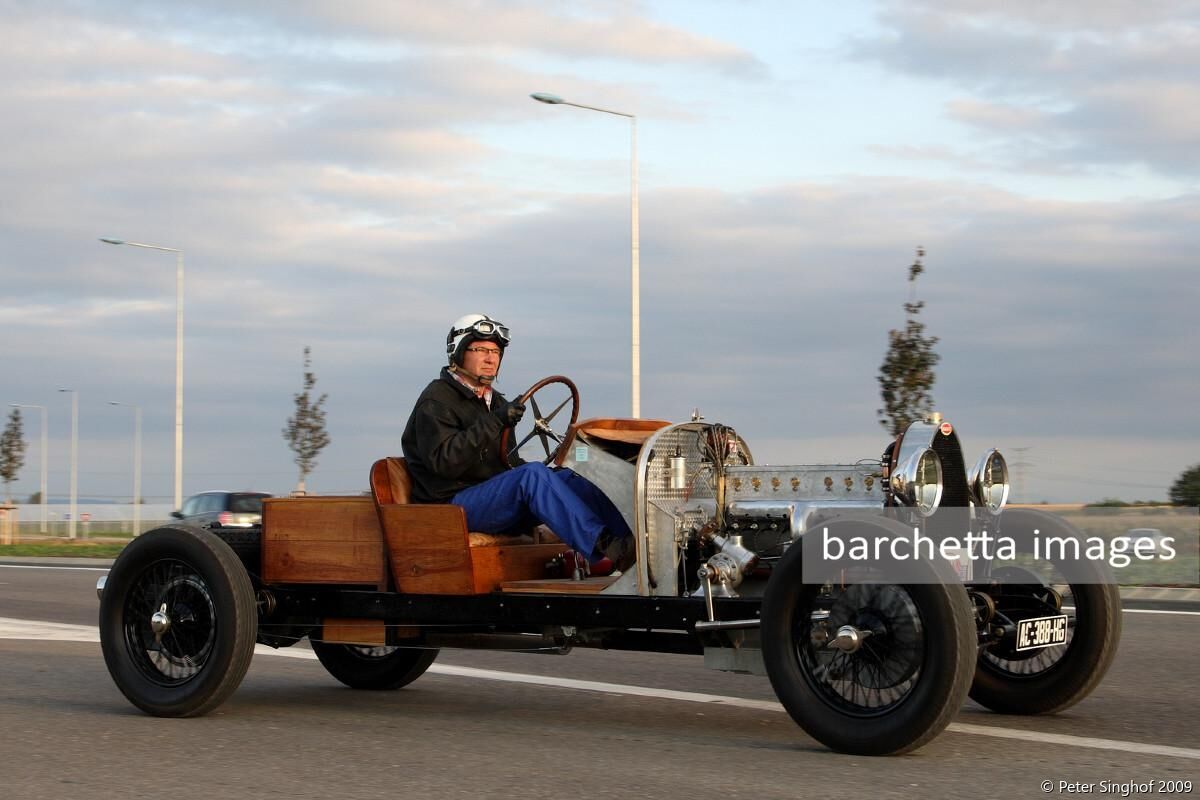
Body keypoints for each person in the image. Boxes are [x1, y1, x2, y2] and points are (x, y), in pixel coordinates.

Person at [401, 313, 633, 573]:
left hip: (490, 500)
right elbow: (444, 463)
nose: (491, 358)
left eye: (496, 352)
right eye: (481, 350)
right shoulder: (436, 401)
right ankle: (606, 547)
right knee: (531, 476)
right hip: (449, 509)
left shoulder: (496, 402)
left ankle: (632, 548)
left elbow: (506, 461)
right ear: (458, 352)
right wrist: (497, 422)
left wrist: (549, 475)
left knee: (574, 477)